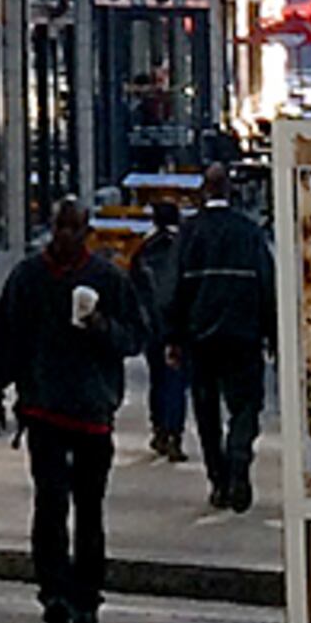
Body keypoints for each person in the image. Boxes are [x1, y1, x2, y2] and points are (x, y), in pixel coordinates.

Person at [0, 198, 144, 623]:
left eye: (74, 228)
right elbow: (5, 335)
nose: (66, 236)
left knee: (89, 508)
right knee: (50, 504)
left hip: (92, 411)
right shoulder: (29, 277)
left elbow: (135, 337)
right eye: (60, 227)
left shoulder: (107, 279)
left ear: (87, 232)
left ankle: (86, 595)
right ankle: (53, 590)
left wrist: (102, 327)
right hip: (44, 408)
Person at [161, 162, 276, 511]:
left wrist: (173, 336)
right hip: (243, 336)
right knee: (245, 406)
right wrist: (272, 333)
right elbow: (267, 283)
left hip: (201, 338)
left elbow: (173, 287)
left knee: (206, 410)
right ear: (230, 191)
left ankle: (218, 480)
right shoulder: (249, 232)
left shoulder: (189, 233)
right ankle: (239, 462)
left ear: (203, 192)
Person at [142, 193, 191, 459]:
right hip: (179, 325)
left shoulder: (144, 249)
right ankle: (175, 433)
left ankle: (159, 429)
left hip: (153, 326)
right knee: (176, 382)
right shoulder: (183, 247)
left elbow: (136, 289)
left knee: (157, 379)